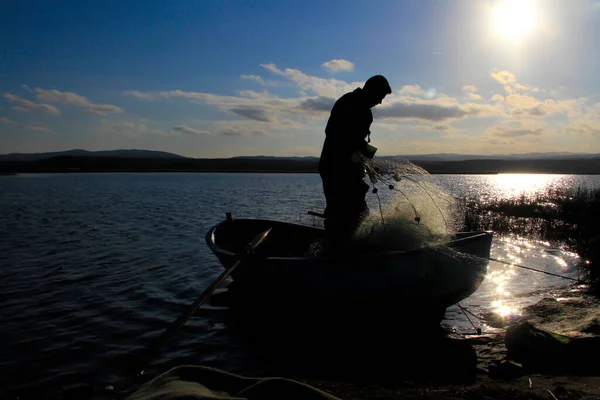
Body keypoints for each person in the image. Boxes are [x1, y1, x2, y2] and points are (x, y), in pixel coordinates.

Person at [318, 75, 392, 248]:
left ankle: (342, 247)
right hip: (335, 169)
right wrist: (365, 152)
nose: (380, 102)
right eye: (380, 97)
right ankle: (333, 252)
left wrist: (367, 162)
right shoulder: (348, 103)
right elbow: (335, 134)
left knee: (357, 213)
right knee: (342, 212)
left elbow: (355, 143)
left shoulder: (365, 111)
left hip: (348, 169)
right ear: (372, 91)